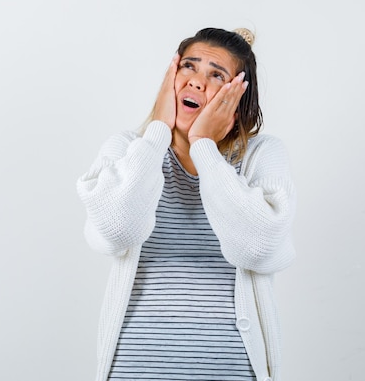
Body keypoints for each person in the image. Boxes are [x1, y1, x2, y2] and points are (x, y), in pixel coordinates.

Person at [76, 27, 296, 381]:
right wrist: (158, 132)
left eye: (215, 75)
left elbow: (258, 248)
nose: (196, 81)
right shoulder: (128, 149)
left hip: (234, 370)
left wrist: (204, 146)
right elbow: (116, 231)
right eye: (188, 67)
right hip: (134, 368)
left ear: (237, 96)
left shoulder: (262, 155)